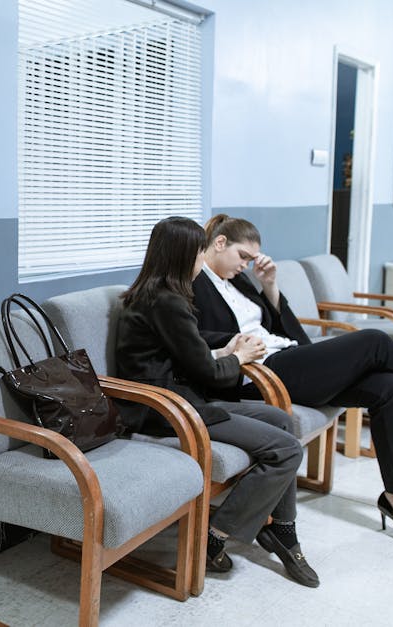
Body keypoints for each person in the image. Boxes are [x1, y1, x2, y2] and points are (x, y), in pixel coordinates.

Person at [194, 213, 393, 551]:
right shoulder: (194, 280)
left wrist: (269, 285)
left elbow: (281, 328)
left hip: (287, 358)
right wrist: (238, 344)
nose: (245, 265)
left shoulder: (240, 280)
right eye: (242, 256)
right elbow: (192, 339)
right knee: (375, 341)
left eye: (250, 259)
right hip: (261, 372)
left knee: (391, 387)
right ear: (219, 243)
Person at [116, 217, 320, 587]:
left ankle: (282, 529)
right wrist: (238, 359)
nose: (201, 258)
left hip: (181, 399)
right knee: (287, 450)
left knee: (281, 420)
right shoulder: (167, 302)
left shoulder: (157, 295)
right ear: (183, 255)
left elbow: (186, 351)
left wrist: (226, 349)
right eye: (197, 252)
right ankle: (216, 535)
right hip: (169, 409)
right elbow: (208, 373)